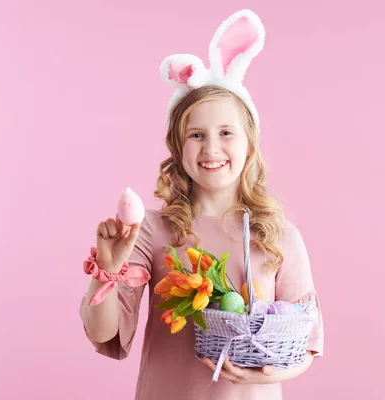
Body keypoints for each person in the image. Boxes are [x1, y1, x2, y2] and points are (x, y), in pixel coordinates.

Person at [79, 9, 324, 400]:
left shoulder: (278, 236)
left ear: (249, 144)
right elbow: (103, 332)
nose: (211, 148)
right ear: (179, 147)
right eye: (196, 134)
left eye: (226, 132)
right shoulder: (152, 232)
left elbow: (306, 345)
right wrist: (107, 268)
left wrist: (261, 375)